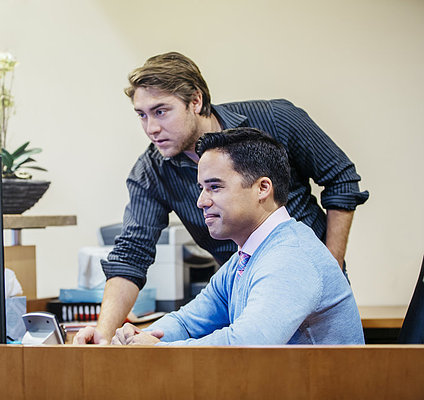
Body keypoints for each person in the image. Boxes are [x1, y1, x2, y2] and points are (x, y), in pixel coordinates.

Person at [73, 52, 368, 345]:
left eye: (161, 111)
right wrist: (114, 336)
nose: (151, 128)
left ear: (196, 101)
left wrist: (327, 265)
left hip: (294, 277)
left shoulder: (275, 120)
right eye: (142, 115)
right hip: (255, 283)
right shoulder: (240, 260)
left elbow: (341, 179)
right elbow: (136, 258)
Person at [111, 128, 365, 345]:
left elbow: (245, 344)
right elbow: (187, 322)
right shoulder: (246, 258)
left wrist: (159, 349)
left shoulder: (290, 257)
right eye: (202, 188)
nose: (201, 202)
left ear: (262, 188)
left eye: (215, 187)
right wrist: (140, 336)